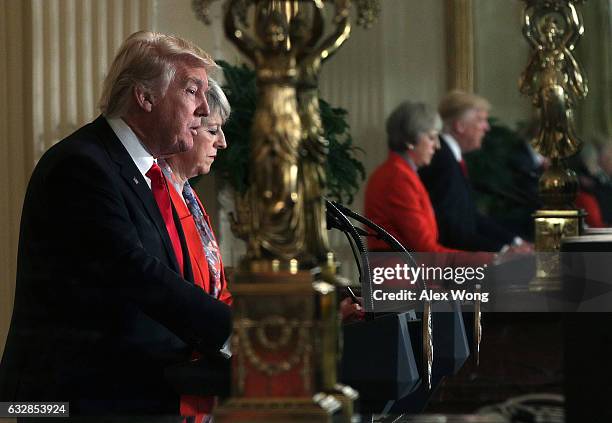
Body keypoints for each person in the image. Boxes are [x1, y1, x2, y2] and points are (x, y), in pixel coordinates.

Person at [0, 31, 232, 416]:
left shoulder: (144, 172)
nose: (205, 110)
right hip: (57, 404)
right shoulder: (81, 165)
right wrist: (234, 332)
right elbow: (134, 272)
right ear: (145, 97)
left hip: (123, 395)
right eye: (193, 91)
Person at [365, 100, 491, 261]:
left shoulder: (402, 173)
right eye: (432, 138)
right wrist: (488, 259)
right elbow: (425, 249)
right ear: (411, 140)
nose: (437, 146)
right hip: (401, 281)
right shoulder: (397, 178)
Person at [419, 91, 527, 252]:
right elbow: (452, 229)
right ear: (460, 126)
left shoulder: (449, 157)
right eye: (480, 120)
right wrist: (504, 251)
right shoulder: (442, 161)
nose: (487, 127)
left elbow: (470, 217)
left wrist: (515, 242)